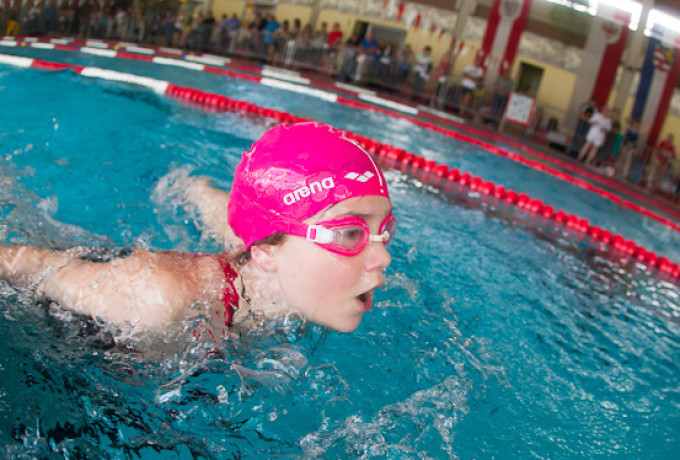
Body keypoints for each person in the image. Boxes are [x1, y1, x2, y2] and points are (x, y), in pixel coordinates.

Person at [0, 123, 396, 337]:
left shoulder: (285, 275)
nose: (383, 256)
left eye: (385, 229)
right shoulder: (160, 297)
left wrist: (191, 188)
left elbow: (246, 219)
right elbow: (37, 266)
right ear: (265, 253)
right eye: (349, 233)